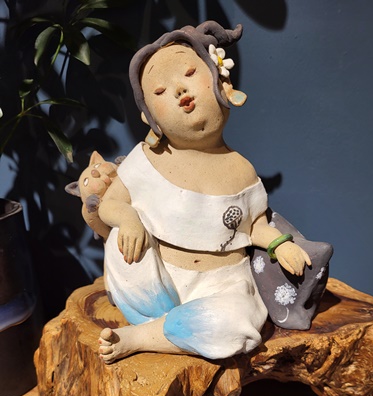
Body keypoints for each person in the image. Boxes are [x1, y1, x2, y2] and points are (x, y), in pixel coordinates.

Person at [96, 21, 311, 363]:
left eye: (190, 73)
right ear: (149, 118)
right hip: (156, 280)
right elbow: (110, 204)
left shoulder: (240, 169)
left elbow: (253, 225)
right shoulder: (147, 159)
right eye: (160, 92)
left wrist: (279, 244)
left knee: (234, 324)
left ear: (221, 82)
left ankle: (142, 337)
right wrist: (129, 219)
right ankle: (168, 326)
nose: (179, 90)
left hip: (221, 285)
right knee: (119, 244)